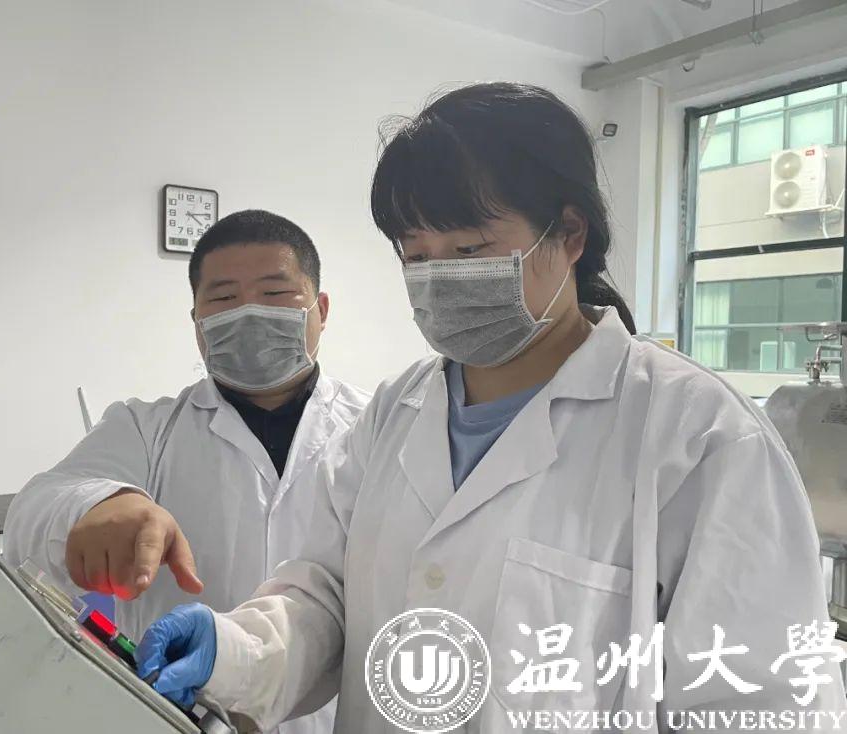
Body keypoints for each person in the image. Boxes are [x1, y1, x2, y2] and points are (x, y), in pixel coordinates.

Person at [130, 84, 843, 731]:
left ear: (569, 235)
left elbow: (761, 706)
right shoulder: (394, 413)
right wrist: (236, 650)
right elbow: (330, 594)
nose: (440, 278)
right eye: (416, 256)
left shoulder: (701, 438)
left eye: (470, 248)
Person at [3, 209, 369, 734]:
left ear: (322, 308)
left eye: (275, 293)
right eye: (223, 299)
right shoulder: (145, 427)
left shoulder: (376, 427)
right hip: (177, 715)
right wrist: (100, 504)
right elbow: (33, 512)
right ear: (197, 322)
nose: (249, 313)